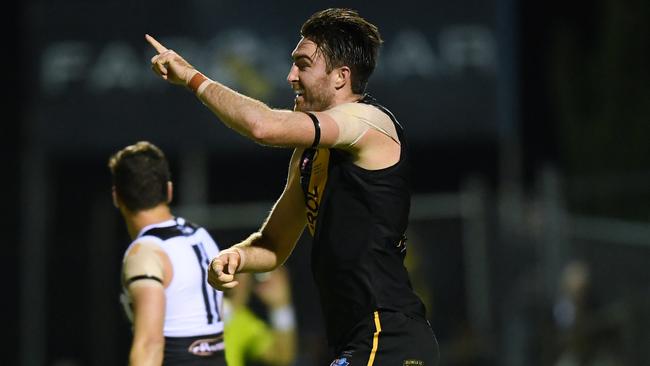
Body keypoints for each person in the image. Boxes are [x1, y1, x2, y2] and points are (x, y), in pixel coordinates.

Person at [146, 8, 439, 365]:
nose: (290, 77)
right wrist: (236, 256)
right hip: (359, 338)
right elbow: (273, 244)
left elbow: (263, 127)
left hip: (387, 333)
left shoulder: (367, 121)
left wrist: (194, 78)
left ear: (340, 77)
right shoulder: (310, 153)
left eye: (303, 64)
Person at [109, 141, 226, 366]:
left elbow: (150, 345)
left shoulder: (145, 253)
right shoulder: (201, 235)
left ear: (117, 197)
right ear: (169, 190)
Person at [223, 266, 297, 366]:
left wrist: (280, 307)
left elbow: (282, 357)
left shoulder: (243, 319)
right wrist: (237, 298)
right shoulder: (199, 306)